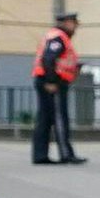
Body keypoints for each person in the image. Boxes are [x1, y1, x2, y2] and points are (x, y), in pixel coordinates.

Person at [30, 11, 85, 164]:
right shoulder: (59, 37)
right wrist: (51, 81)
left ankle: (40, 155)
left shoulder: (55, 36)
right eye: (74, 24)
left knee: (45, 119)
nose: (75, 28)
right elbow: (48, 59)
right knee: (60, 118)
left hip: (46, 80)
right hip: (53, 83)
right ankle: (66, 153)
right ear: (67, 23)